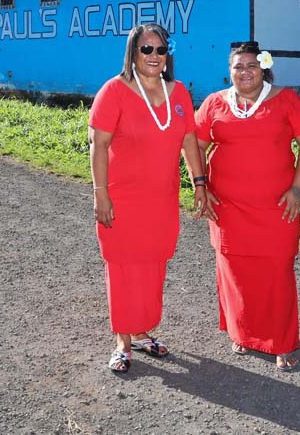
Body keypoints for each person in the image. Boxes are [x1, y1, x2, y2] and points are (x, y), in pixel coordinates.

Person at [88, 23, 211, 373]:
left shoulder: (180, 92)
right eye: (146, 49)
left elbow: (189, 141)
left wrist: (199, 182)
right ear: (133, 53)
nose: (154, 56)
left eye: (160, 49)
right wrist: (101, 194)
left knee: (153, 265)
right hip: (122, 199)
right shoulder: (114, 91)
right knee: (123, 267)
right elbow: (99, 146)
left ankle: (142, 332)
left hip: (161, 200)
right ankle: (122, 342)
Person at [194, 41, 300, 372]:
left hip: (277, 208)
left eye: (251, 65)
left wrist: (297, 188)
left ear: (263, 68)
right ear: (229, 70)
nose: (245, 71)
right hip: (228, 209)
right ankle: (244, 333)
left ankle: (282, 342)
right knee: (235, 273)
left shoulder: (285, 100)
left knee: (277, 273)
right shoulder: (214, 103)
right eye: (238, 66)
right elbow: (195, 145)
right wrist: (200, 185)